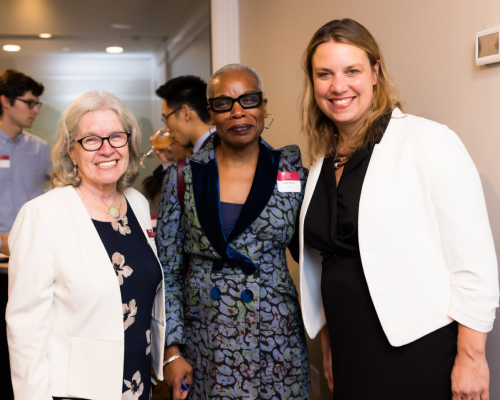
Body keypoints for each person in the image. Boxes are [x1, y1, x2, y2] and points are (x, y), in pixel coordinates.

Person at [298, 18, 499, 400]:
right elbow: (327, 264)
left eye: (352, 70)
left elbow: (474, 264)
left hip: (417, 347)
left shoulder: (429, 141)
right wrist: (328, 345)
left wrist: (472, 359)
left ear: (376, 72)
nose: (338, 86)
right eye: (324, 74)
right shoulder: (321, 162)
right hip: (347, 346)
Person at [156, 63, 311, 400]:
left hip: (274, 339)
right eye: (224, 104)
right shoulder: (184, 177)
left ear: (264, 106)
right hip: (206, 341)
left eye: (248, 100)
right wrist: (172, 350)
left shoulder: (294, 173)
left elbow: (317, 260)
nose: (238, 112)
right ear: (211, 113)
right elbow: (167, 270)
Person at [6, 91, 166, 400]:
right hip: (76, 391)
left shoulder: (138, 204)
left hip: (136, 383)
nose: (107, 149)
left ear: (129, 143)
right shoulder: (42, 215)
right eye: (91, 140)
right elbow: (25, 329)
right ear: (71, 151)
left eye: (116, 137)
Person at [0, 69, 49, 256]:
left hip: (34, 253)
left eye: (37, 104)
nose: (36, 110)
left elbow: (66, 185)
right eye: (29, 103)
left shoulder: (41, 149)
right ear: (5, 101)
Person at [154, 76, 212, 184]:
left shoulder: (215, 152)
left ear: (185, 113)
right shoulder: (202, 150)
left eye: (166, 118)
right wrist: (168, 162)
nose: (167, 128)